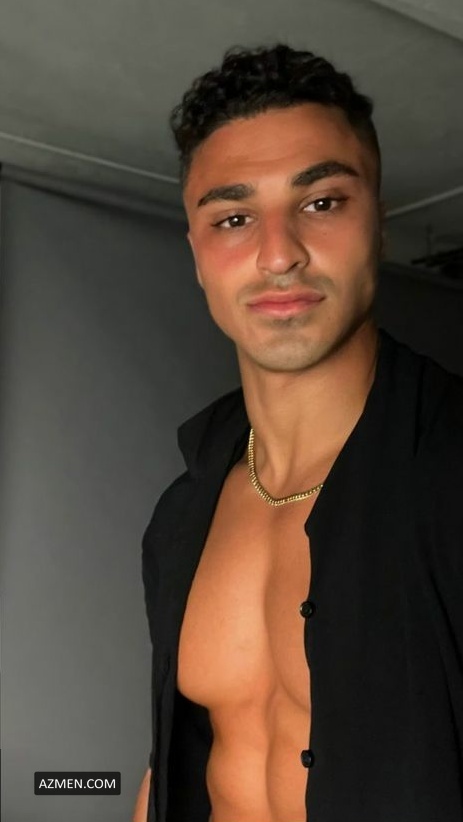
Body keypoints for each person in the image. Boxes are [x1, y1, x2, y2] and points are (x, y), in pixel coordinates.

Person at [132, 44, 463, 822]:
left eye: (320, 203)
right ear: (198, 256)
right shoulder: (180, 516)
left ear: (377, 223)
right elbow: (178, 756)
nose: (278, 254)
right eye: (233, 218)